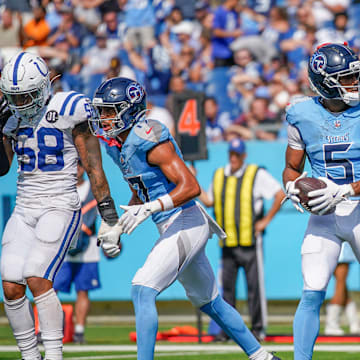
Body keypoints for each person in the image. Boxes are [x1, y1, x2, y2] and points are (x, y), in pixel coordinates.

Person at [89, 77, 281, 360]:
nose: (103, 118)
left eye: (109, 111)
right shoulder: (117, 144)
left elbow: (190, 186)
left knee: (142, 289)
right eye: (101, 111)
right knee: (210, 301)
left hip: (186, 219)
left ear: (129, 110)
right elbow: (139, 188)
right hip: (173, 223)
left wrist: (153, 207)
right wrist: (118, 226)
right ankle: (263, 357)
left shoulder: (148, 137)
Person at [0, 52, 122, 360]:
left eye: (27, 95)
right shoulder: (11, 116)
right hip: (25, 207)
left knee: (37, 277)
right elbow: (2, 167)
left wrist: (108, 214)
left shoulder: (67, 108)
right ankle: (30, 356)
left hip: (60, 203)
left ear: (43, 87)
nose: (22, 102)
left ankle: (53, 356)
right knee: (10, 285)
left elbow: (93, 165)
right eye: (15, 97)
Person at [282, 43, 360, 360]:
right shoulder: (301, 114)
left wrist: (346, 190)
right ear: (326, 81)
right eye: (347, 78)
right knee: (312, 291)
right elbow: (291, 168)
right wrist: (291, 186)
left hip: (356, 208)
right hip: (323, 215)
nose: (354, 83)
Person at [193, 138, 285, 342]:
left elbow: (280, 194)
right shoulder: (219, 175)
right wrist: (194, 182)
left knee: (255, 288)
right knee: (227, 291)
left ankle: (258, 328)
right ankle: (227, 330)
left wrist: (265, 222)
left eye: (237, 155)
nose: (234, 158)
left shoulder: (256, 174)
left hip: (251, 242)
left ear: (243, 156)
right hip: (228, 243)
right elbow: (208, 201)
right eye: (231, 154)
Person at [53, 160, 102, 344]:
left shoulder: (94, 189)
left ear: (83, 168)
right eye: (73, 166)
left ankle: (79, 332)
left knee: (83, 290)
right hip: (63, 247)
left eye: (79, 166)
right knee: (52, 289)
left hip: (87, 248)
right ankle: (48, 330)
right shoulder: (61, 190)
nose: (76, 170)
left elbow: (101, 216)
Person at [324, 242, 359, 335]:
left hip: (331, 242)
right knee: (340, 283)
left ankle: (354, 323)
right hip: (341, 243)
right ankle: (332, 324)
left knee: (342, 285)